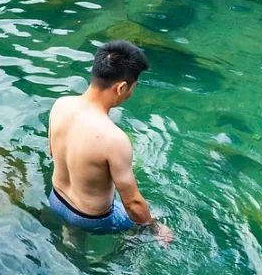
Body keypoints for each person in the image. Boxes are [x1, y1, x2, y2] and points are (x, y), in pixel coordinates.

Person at [47, 41, 174, 243]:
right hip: (91, 219)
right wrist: (155, 227)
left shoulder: (60, 105)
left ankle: (71, 236)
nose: (131, 93)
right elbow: (132, 203)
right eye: (133, 88)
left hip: (55, 200)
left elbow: (52, 152)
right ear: (121, 87)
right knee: (149, 216)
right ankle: (116, 252)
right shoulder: (114, 139)